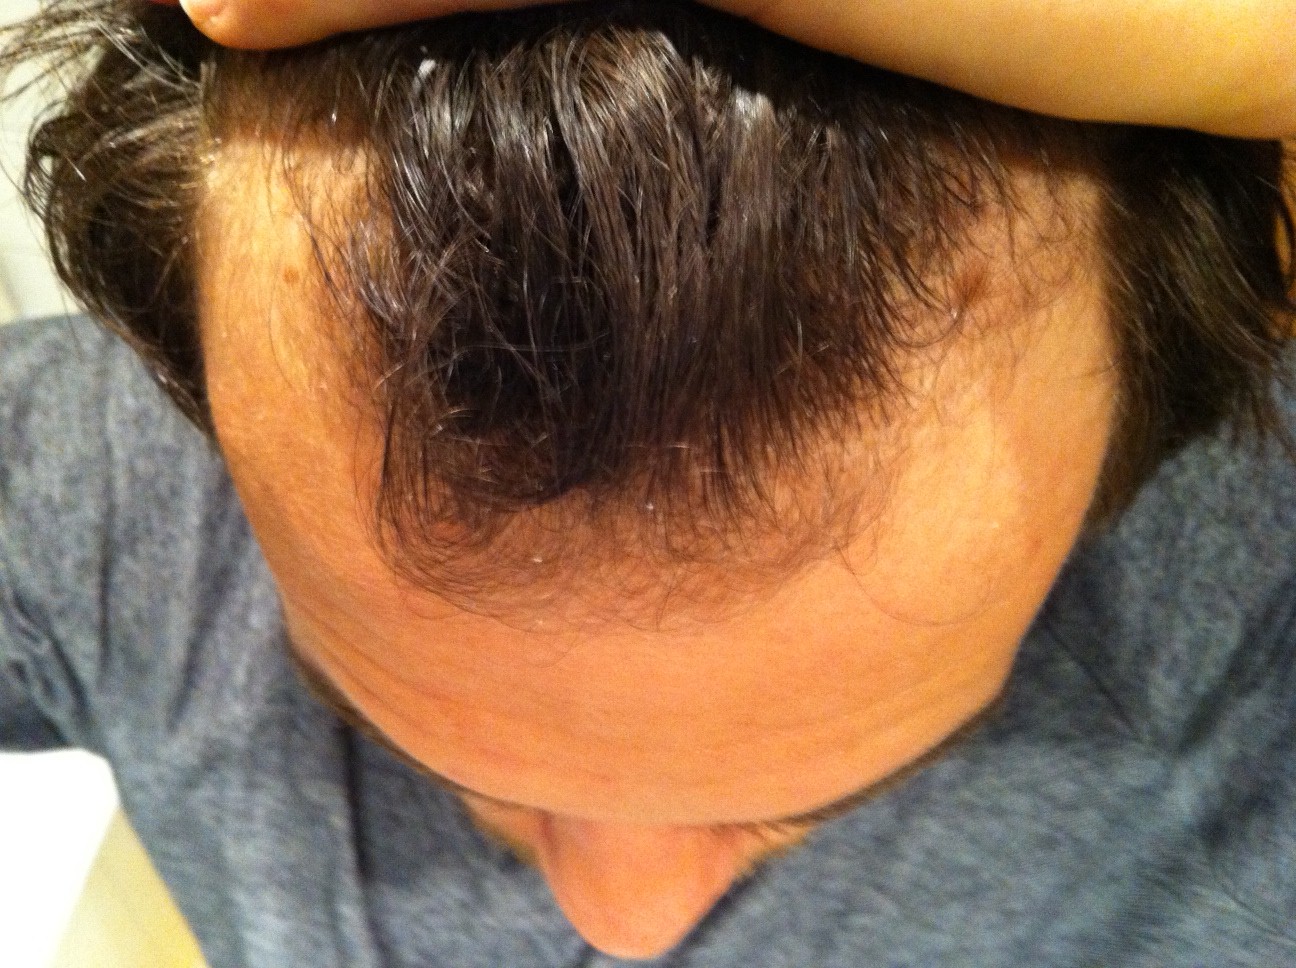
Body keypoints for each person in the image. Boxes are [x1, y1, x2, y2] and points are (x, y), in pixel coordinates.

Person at [1, 1, 1293, 965]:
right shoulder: (117, 503)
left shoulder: (1249, 627)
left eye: (806, 801)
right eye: (430, 754)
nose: (625, 920)